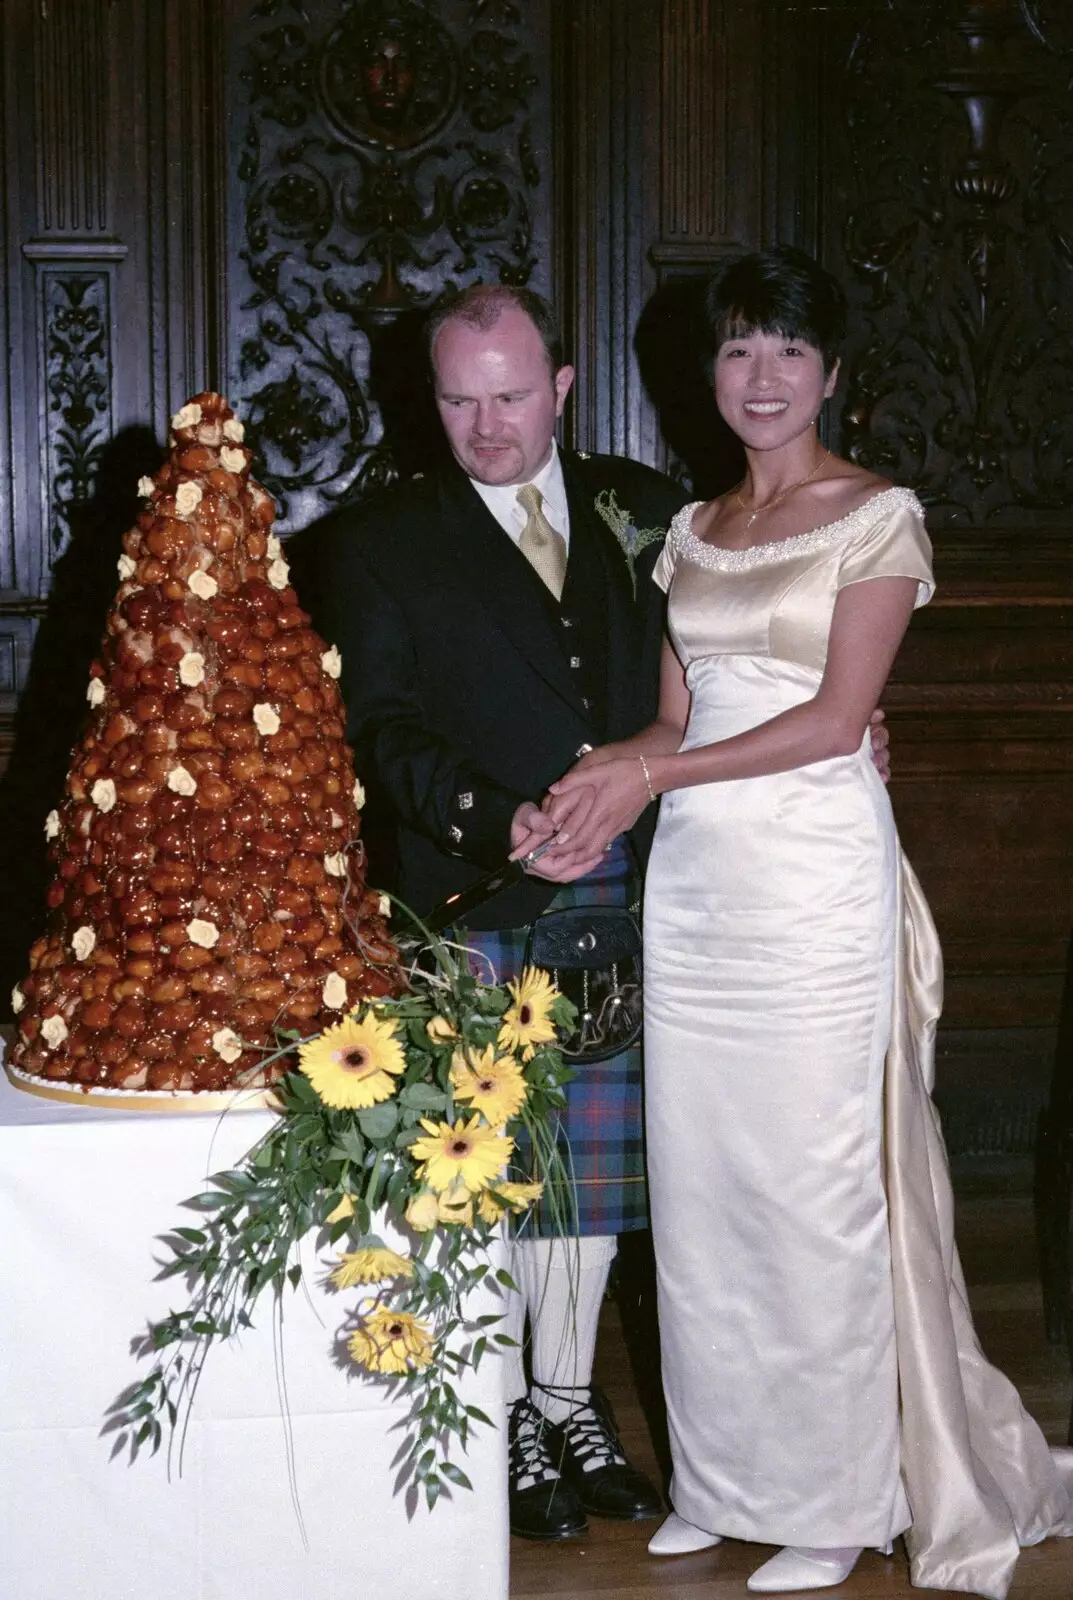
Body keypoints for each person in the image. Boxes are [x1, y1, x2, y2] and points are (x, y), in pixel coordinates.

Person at [541, 247, 1073, 1594]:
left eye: (787, 351)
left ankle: (834, 1494)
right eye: (735, 350)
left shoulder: (875, 515)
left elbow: (838, 721)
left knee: (814, 1192)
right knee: (709, 1190)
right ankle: (727, 1480)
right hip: (700, 887)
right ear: (706, 374)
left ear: (832, 375)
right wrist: (600, 784)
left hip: (814, 880)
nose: (760, 377)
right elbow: (674, 715)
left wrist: (654, 772)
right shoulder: (693, 531)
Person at [302, 283, 686, 1541]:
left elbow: (729, 663)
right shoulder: (378, 539)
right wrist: (497, 816)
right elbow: (376, 726)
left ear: (561, 386)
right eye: (457, 400)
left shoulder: (647, 506)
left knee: (593, 1186)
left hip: (639, 891)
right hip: (476, 890)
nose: (484, 428)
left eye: (510, 396)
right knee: (502, 1175)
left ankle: (570, 1403)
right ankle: (508, 1409)